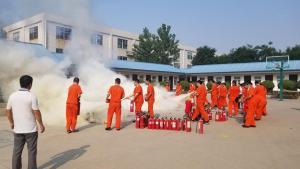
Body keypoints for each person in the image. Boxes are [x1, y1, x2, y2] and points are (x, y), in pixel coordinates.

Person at [6, 75, 45, 169]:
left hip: (18, 129)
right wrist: (41, 124)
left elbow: (8, 111)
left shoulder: (12, 95)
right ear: (30, 84)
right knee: (31, 152)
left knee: (16, 152)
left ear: (20, 83)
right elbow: (36, 112)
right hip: (31, 130)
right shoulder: (32, 96)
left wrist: (11, 122)